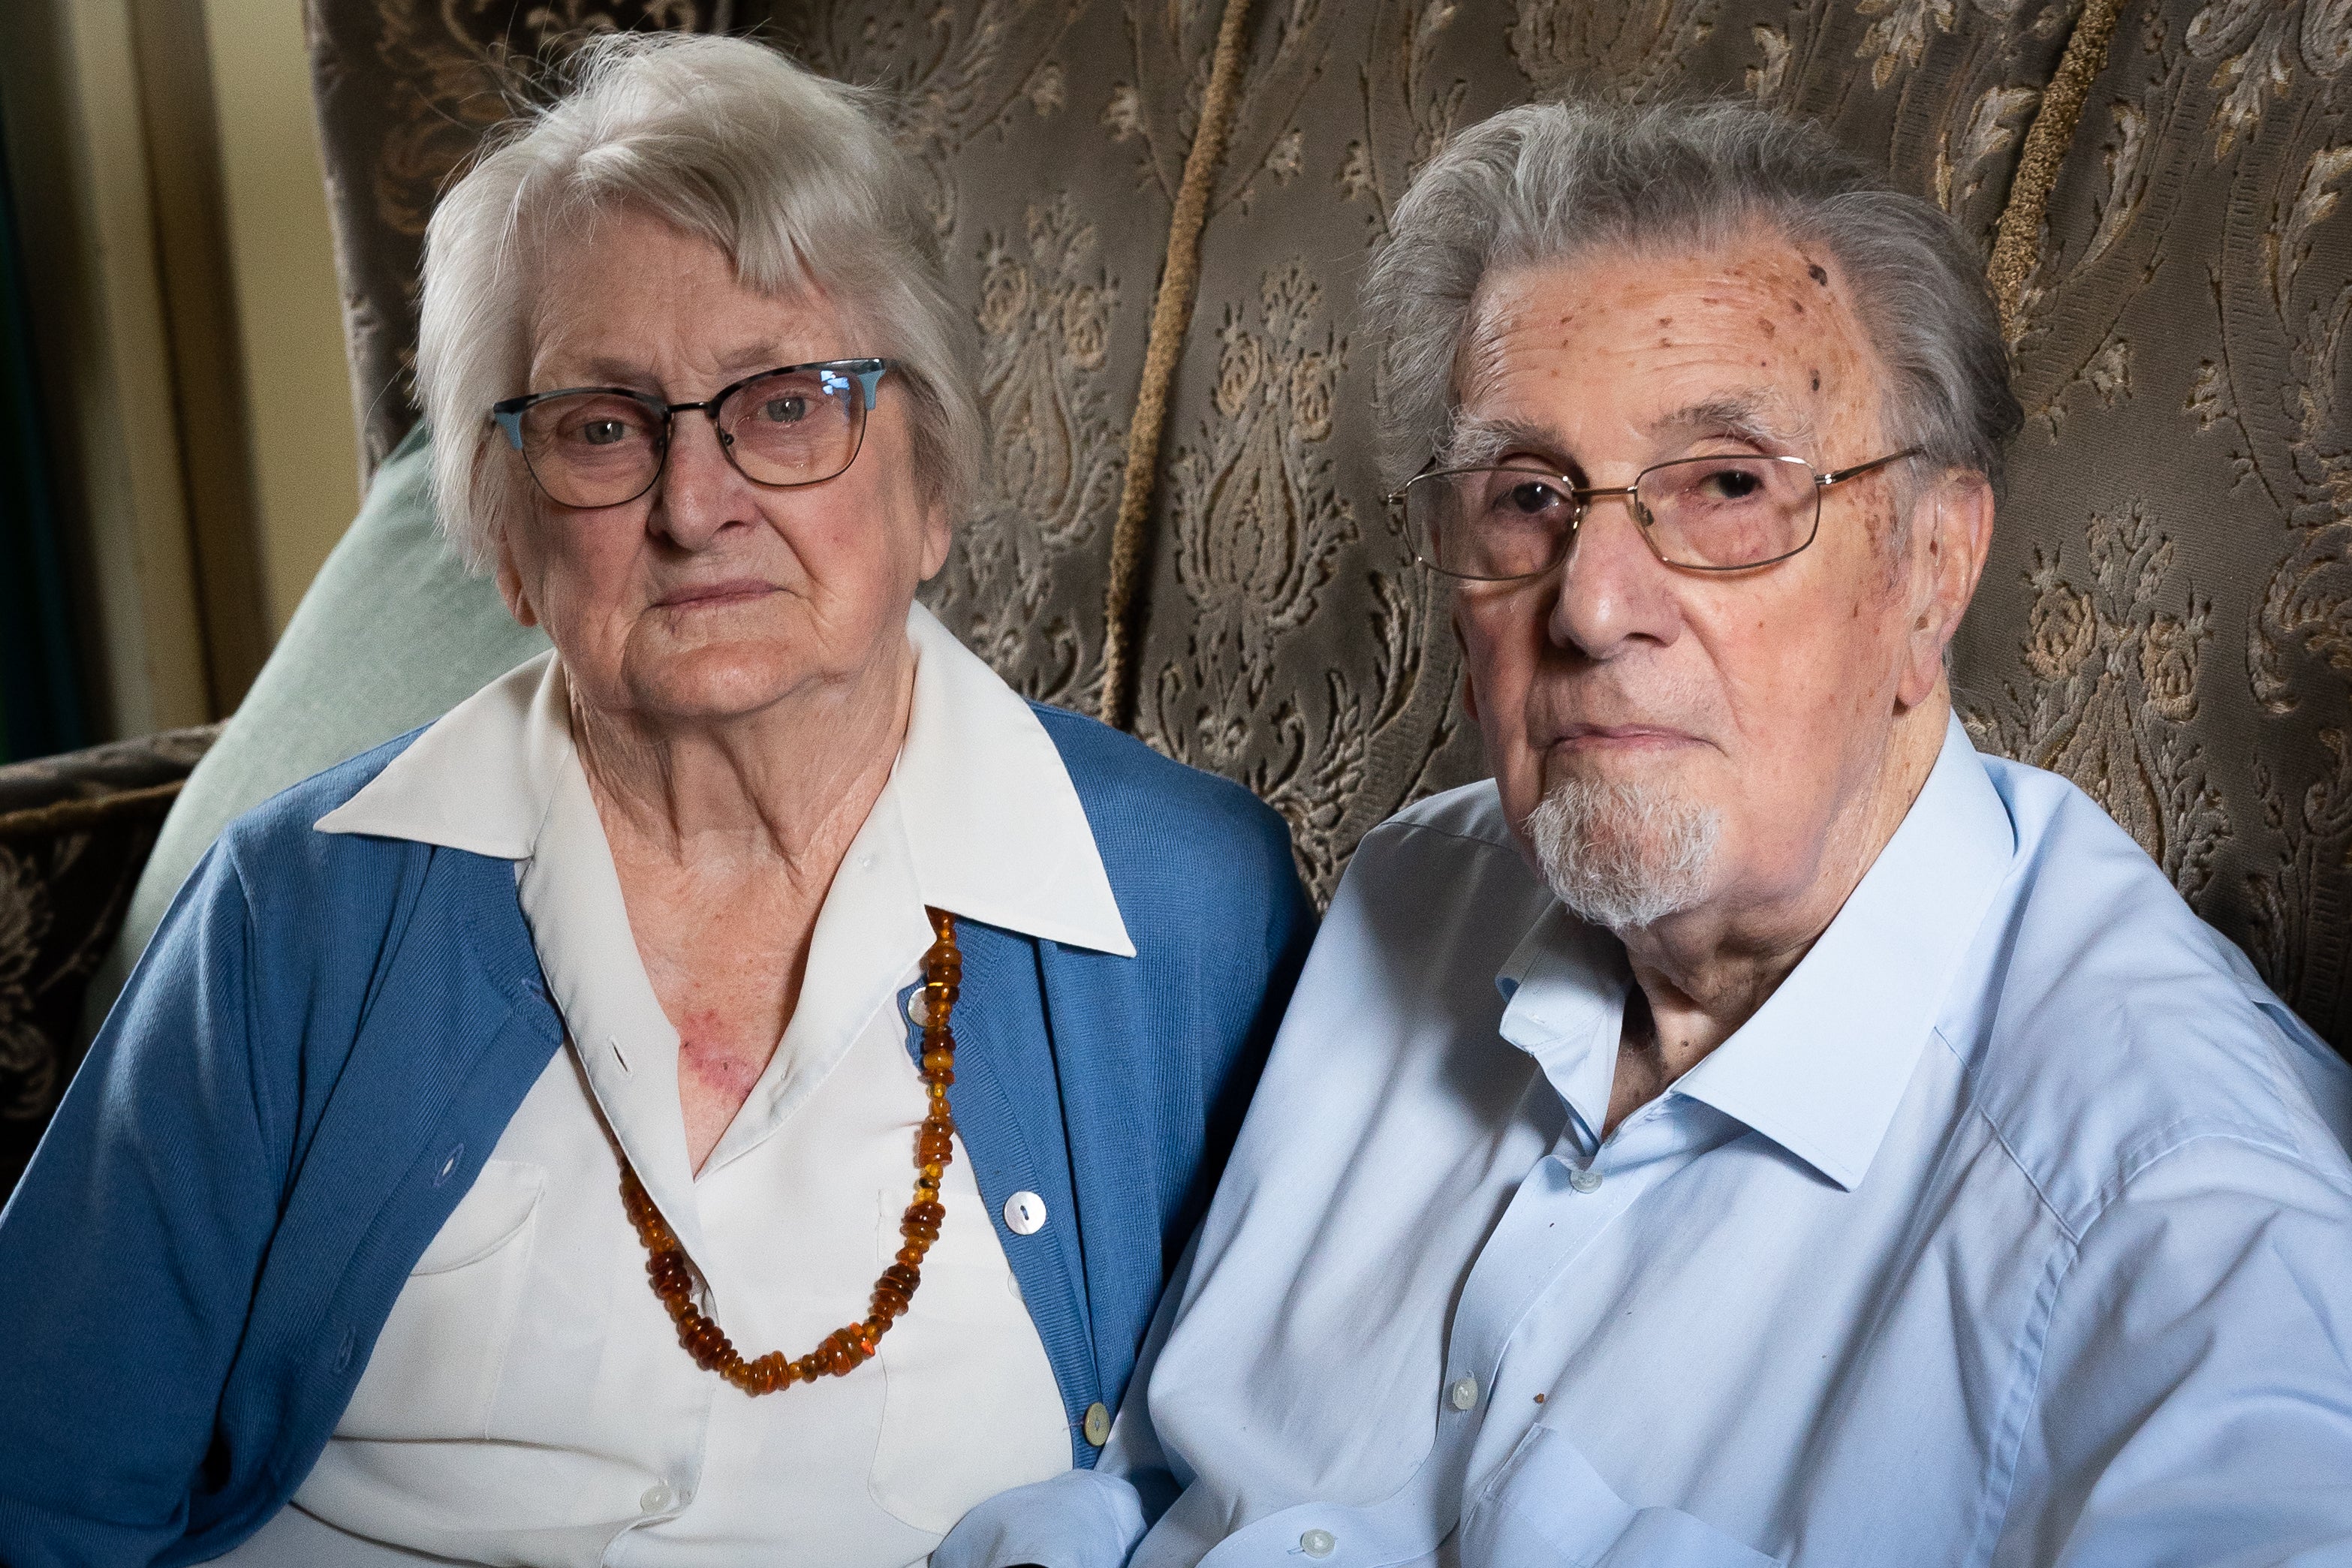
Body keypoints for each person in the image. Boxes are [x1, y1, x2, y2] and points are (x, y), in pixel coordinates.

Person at [938, 98, 2352, 1568]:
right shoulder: (1418, 889)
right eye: (1528, 496)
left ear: (1933, 567)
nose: (1594, 601)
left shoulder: (2189, 1228)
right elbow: (1173, 1487)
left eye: (1728, 486)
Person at [0, 34, 1312, 1568]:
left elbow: (1292, 1466)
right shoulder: (296, 912)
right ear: (504, 536)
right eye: (603, 428)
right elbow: (40, 1483)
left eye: (787, 405)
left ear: (932, 481)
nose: (698, 505)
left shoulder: (1185, 913)